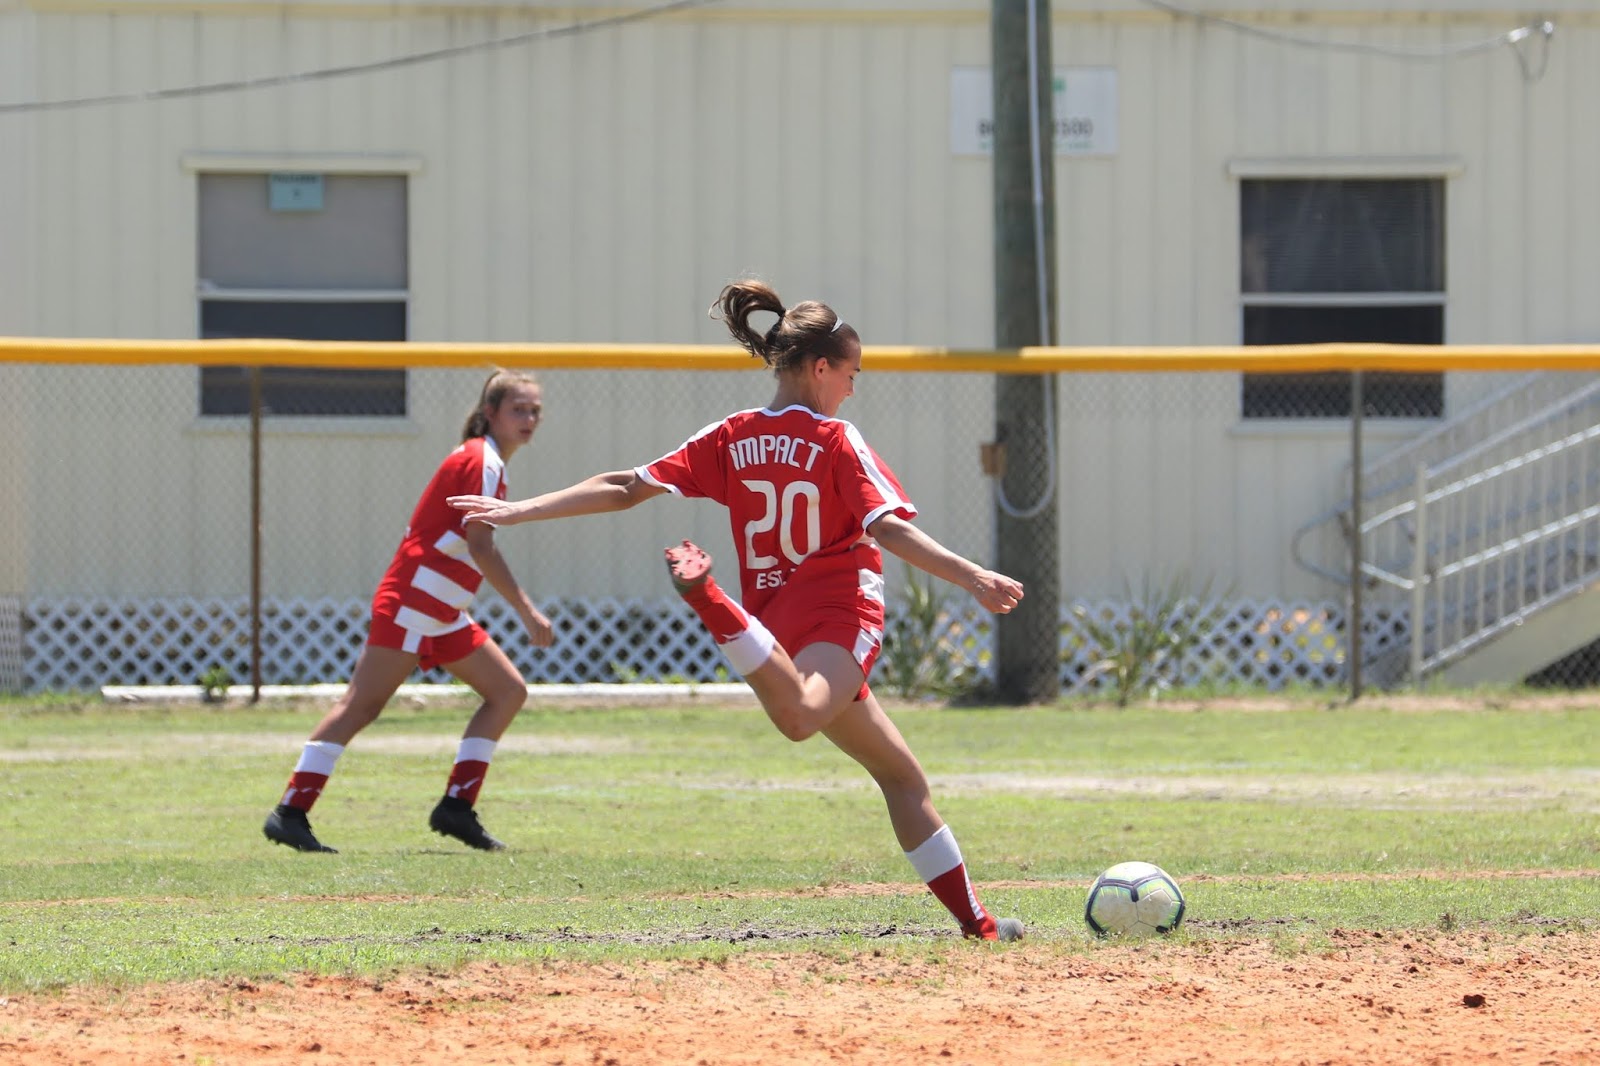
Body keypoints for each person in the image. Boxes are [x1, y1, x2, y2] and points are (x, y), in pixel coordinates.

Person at [448, 281, 1027, 941]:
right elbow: (886, 528)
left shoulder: (733, 435)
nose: (853, 388)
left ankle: (978, 926)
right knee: (804, 715)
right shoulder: (838, 439)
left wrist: (522, 509)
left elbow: (626, 486)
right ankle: (709, 599)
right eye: (851, 373)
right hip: (838, 611)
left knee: (899, 774)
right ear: (819, 368)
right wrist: (972, 574)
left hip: (774, 626)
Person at [263, 369, 555, 854]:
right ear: (490, 415)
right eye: (518, 409)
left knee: (507, 691)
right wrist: (526, 610)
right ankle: (290, 813)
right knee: (360, 706)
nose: (529, 419)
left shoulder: (487, 461)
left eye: (534, 411)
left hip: (441, 609)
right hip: (415, 601)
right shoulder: (482, 460)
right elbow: (481, 546)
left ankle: (456, 809)